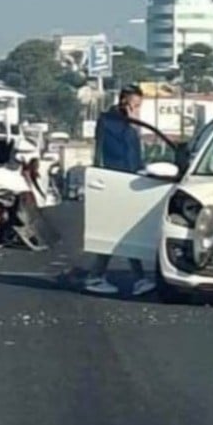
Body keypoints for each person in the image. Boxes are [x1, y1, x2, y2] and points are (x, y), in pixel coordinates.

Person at [84, 85, 156, 297]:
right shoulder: (110, 121)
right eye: (135, 105)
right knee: (118, 230)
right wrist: (131, 121)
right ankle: (97, 276)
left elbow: (134, 154)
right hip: (114, 180)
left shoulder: (130, 125)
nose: (137, 110)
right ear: (124, 102)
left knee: (124, 231)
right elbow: (106, 151)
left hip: (130, 180)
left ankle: (135, 277)